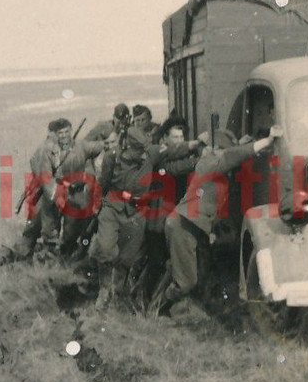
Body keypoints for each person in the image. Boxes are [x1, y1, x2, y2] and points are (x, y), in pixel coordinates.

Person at [159, 125, 282, 312]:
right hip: (183, 225)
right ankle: (159, 308)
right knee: (186, 283)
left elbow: (235, 153)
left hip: (193, 225)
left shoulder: (216, 165)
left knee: (196, 273)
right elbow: (234, 155)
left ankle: (172, 300)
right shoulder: (210, 162)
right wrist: (267, 141)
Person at [93, 125, 197, 310]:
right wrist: (97, 206)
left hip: (136, 211)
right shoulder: (112, 157)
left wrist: (195, 144)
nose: (143, 155)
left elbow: (173, 150)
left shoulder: (150, 153)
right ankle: (104, 289)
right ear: (126, 146)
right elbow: (103, 183)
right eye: (138, 150)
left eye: (144, 149)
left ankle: (117, 294)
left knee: (127, 258)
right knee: (106, 248)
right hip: (113, 206)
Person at [131, 117, 198, 300]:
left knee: (162, 262)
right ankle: (141, 298)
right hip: (158, 221)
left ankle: (143, 296)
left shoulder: (178, 155)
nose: (179, 141)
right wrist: (199, 159)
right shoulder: (160, 157)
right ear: (164, 139)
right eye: (175, 137)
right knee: (157, 262)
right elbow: (174, 168)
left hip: (169, 219)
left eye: (181, 137)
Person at [10, 117, 74, 261]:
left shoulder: (53, 147)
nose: (63, 136)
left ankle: (23, 258)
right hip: (42, 195)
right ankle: (30, 260)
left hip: (45, 194)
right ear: (53, 133)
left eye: (66, 132)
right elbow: (45, 178)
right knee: (42, 230)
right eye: (59, 133)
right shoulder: (46, 149)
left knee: (36, 230)